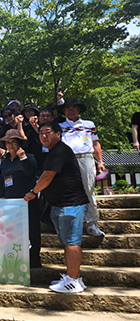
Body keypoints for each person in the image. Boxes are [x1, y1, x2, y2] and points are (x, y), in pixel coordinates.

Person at [24, 121, 89, 293]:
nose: (44, 136)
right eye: (41, 133)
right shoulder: (54, 152)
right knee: (68, 243)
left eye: (48, 132)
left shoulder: (60, 150)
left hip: (70, 204)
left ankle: (73, 280)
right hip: (62, 204)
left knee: (72, 243)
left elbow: (47, 177)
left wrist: (33, 192)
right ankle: (73, 277)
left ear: (58, 134)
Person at [58, 98, 105, 237]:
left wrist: (100, 161)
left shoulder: (89, 124)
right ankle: (71, 224)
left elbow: (95, 144)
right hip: (67, 160)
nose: (71, 110)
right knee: (67, 191)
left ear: (79, 110)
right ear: (64, 111)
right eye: (68, 108)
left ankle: (92, 223)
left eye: (74, 107)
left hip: (86, 158)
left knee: (88, 190)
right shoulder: (59, 126)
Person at [0, 130, 41, 268]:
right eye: (8, 143)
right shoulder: (4, 162)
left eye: (13, 142)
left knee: (32, 230)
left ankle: (34, 259)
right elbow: (2, 180)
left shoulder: (29, 157)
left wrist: (23, 158)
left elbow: (31, 173)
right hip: (11, 202)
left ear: (19, 144)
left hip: (27, 200)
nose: (10, 145)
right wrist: (1, 196)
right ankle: (15, 258)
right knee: (12, 231)